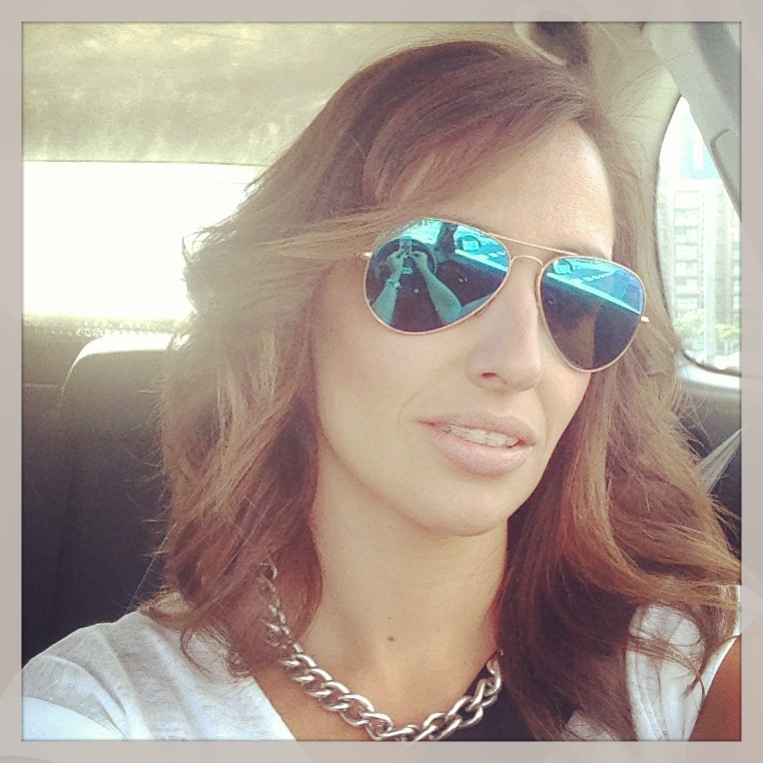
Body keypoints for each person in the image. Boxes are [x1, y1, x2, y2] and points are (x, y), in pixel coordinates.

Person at [22, 35, 740, 742]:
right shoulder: (101, 710)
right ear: (295, 308)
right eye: (436, 268)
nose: (522, 360)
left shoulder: (688, 662)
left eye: (581, 296)